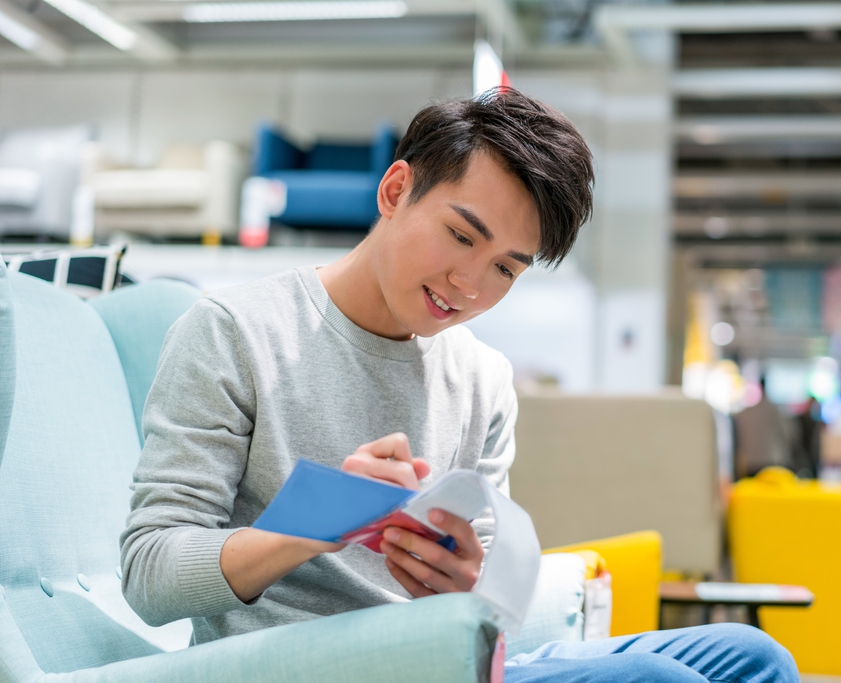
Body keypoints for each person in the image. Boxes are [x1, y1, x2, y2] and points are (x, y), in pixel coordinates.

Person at [120, 87, 799, 683]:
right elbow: (149, 573)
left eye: (506, 268)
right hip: (301, 662)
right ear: (394, 191)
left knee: (753, 656)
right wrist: (310, 525)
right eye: (460, 235)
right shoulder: (235, 331)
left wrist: (465, 581)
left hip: (435, 655)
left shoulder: (481, 378)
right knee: (651, 677)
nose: (470, 284)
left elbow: (487, 595)